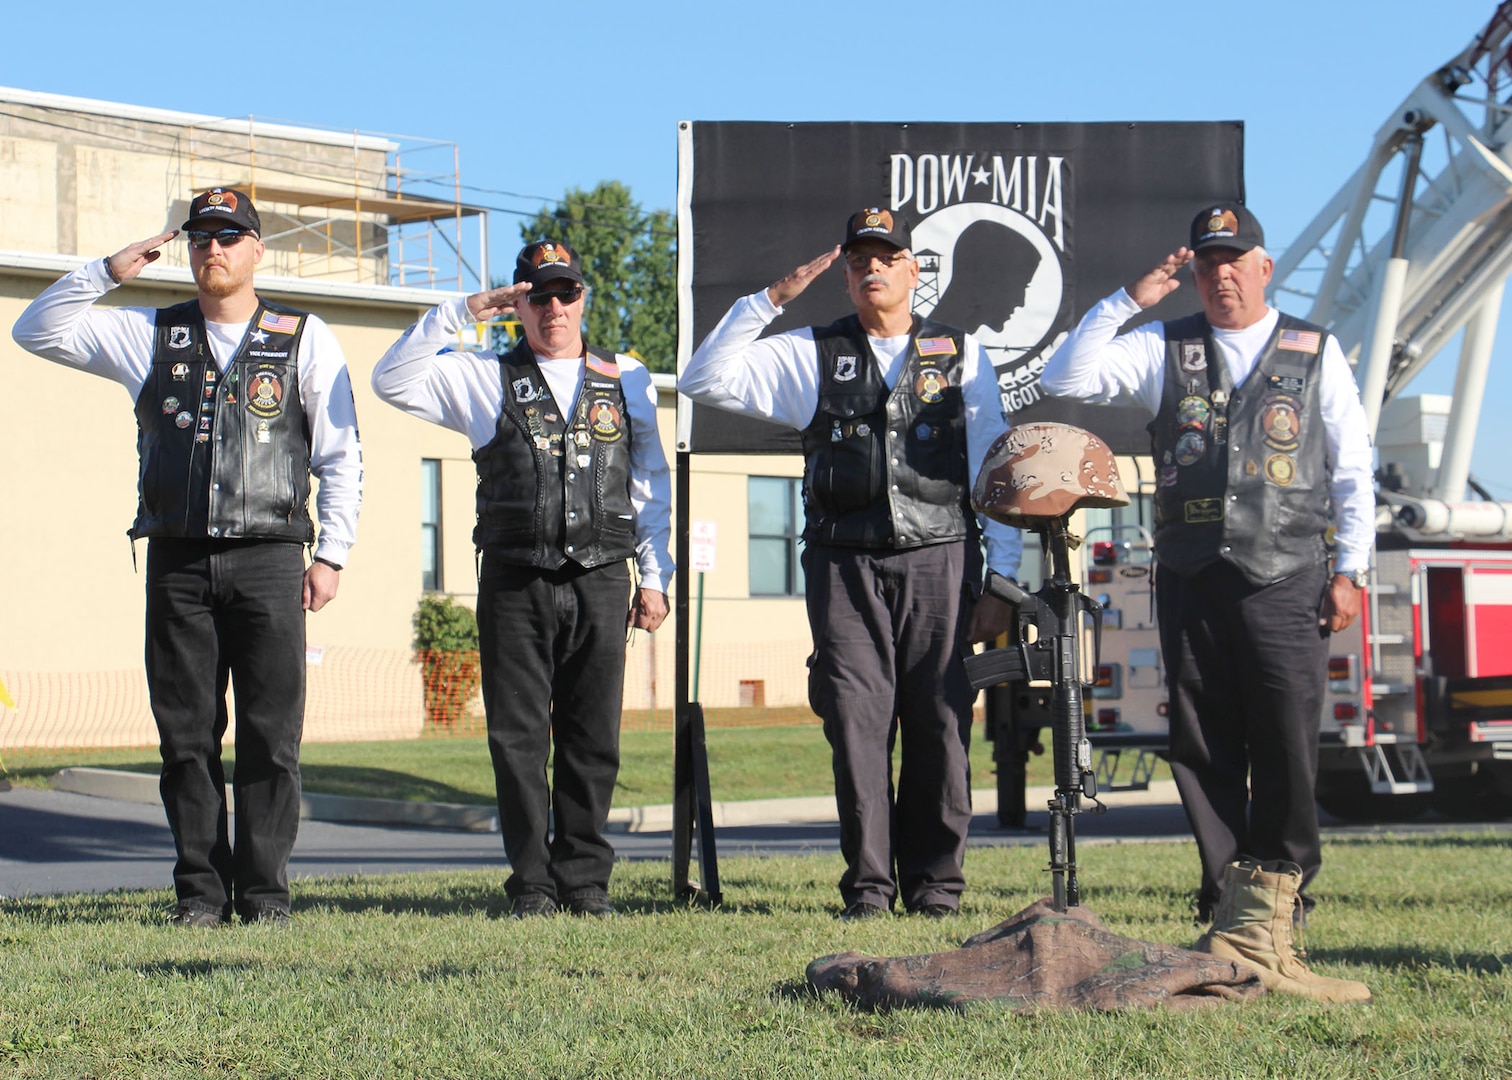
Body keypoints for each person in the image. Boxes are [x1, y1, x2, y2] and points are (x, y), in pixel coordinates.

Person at [1039, 203, 1373, 1002]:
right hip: (1191, 572)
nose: (1222, 273)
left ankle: (1284, 901)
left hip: (1287, 570)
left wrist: (1351, 568)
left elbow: (1353, 467)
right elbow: (1065, 379)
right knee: (1202, 745)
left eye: (1237, 259)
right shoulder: (1165, 344)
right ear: (1193, 272)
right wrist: (1130, 300)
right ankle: (1227, 899)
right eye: (1208, 261)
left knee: (1287, 741)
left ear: (1264, 267)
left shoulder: (1313, 351)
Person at [12, 187, 363, 927]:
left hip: (271, 557)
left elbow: (340, 454)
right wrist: (109, 269)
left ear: (257, 249)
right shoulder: (150, 334)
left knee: (273, 736)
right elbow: (36, 329)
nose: (214, 249)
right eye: (201, 237)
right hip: (177, 558)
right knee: (186, 737)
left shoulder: (305, 338)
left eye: (229, 237)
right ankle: (200, 893)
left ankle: (264, 895)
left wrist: (331, 553)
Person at [681, 207, 1022, 920]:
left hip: (942, 557)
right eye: (860, 258)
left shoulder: (965, 356)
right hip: (843, 564)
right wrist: (767, 302)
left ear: (913, 269)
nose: (873, 267)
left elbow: (994, 466)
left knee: (940, 724)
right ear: (845, 273)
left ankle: (936, 888)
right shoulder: (811, 351)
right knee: (858, 727)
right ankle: (869, 889)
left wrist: (1002, 578)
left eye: (886, 256)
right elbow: (703, 380)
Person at [371, 239, 672, 919]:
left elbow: (650, 486)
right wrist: (462, 311)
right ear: (518, 304)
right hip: (515, 579)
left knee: (593, 735)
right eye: (538, 295)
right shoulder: (483, 376)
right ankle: (533, 882)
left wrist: (655, 576)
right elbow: (392, 379)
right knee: (517, 737)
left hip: (600, 575)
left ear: (584, 298)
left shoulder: (626, 377)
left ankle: (587, 881)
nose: (554, 308)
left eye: (566, 292)